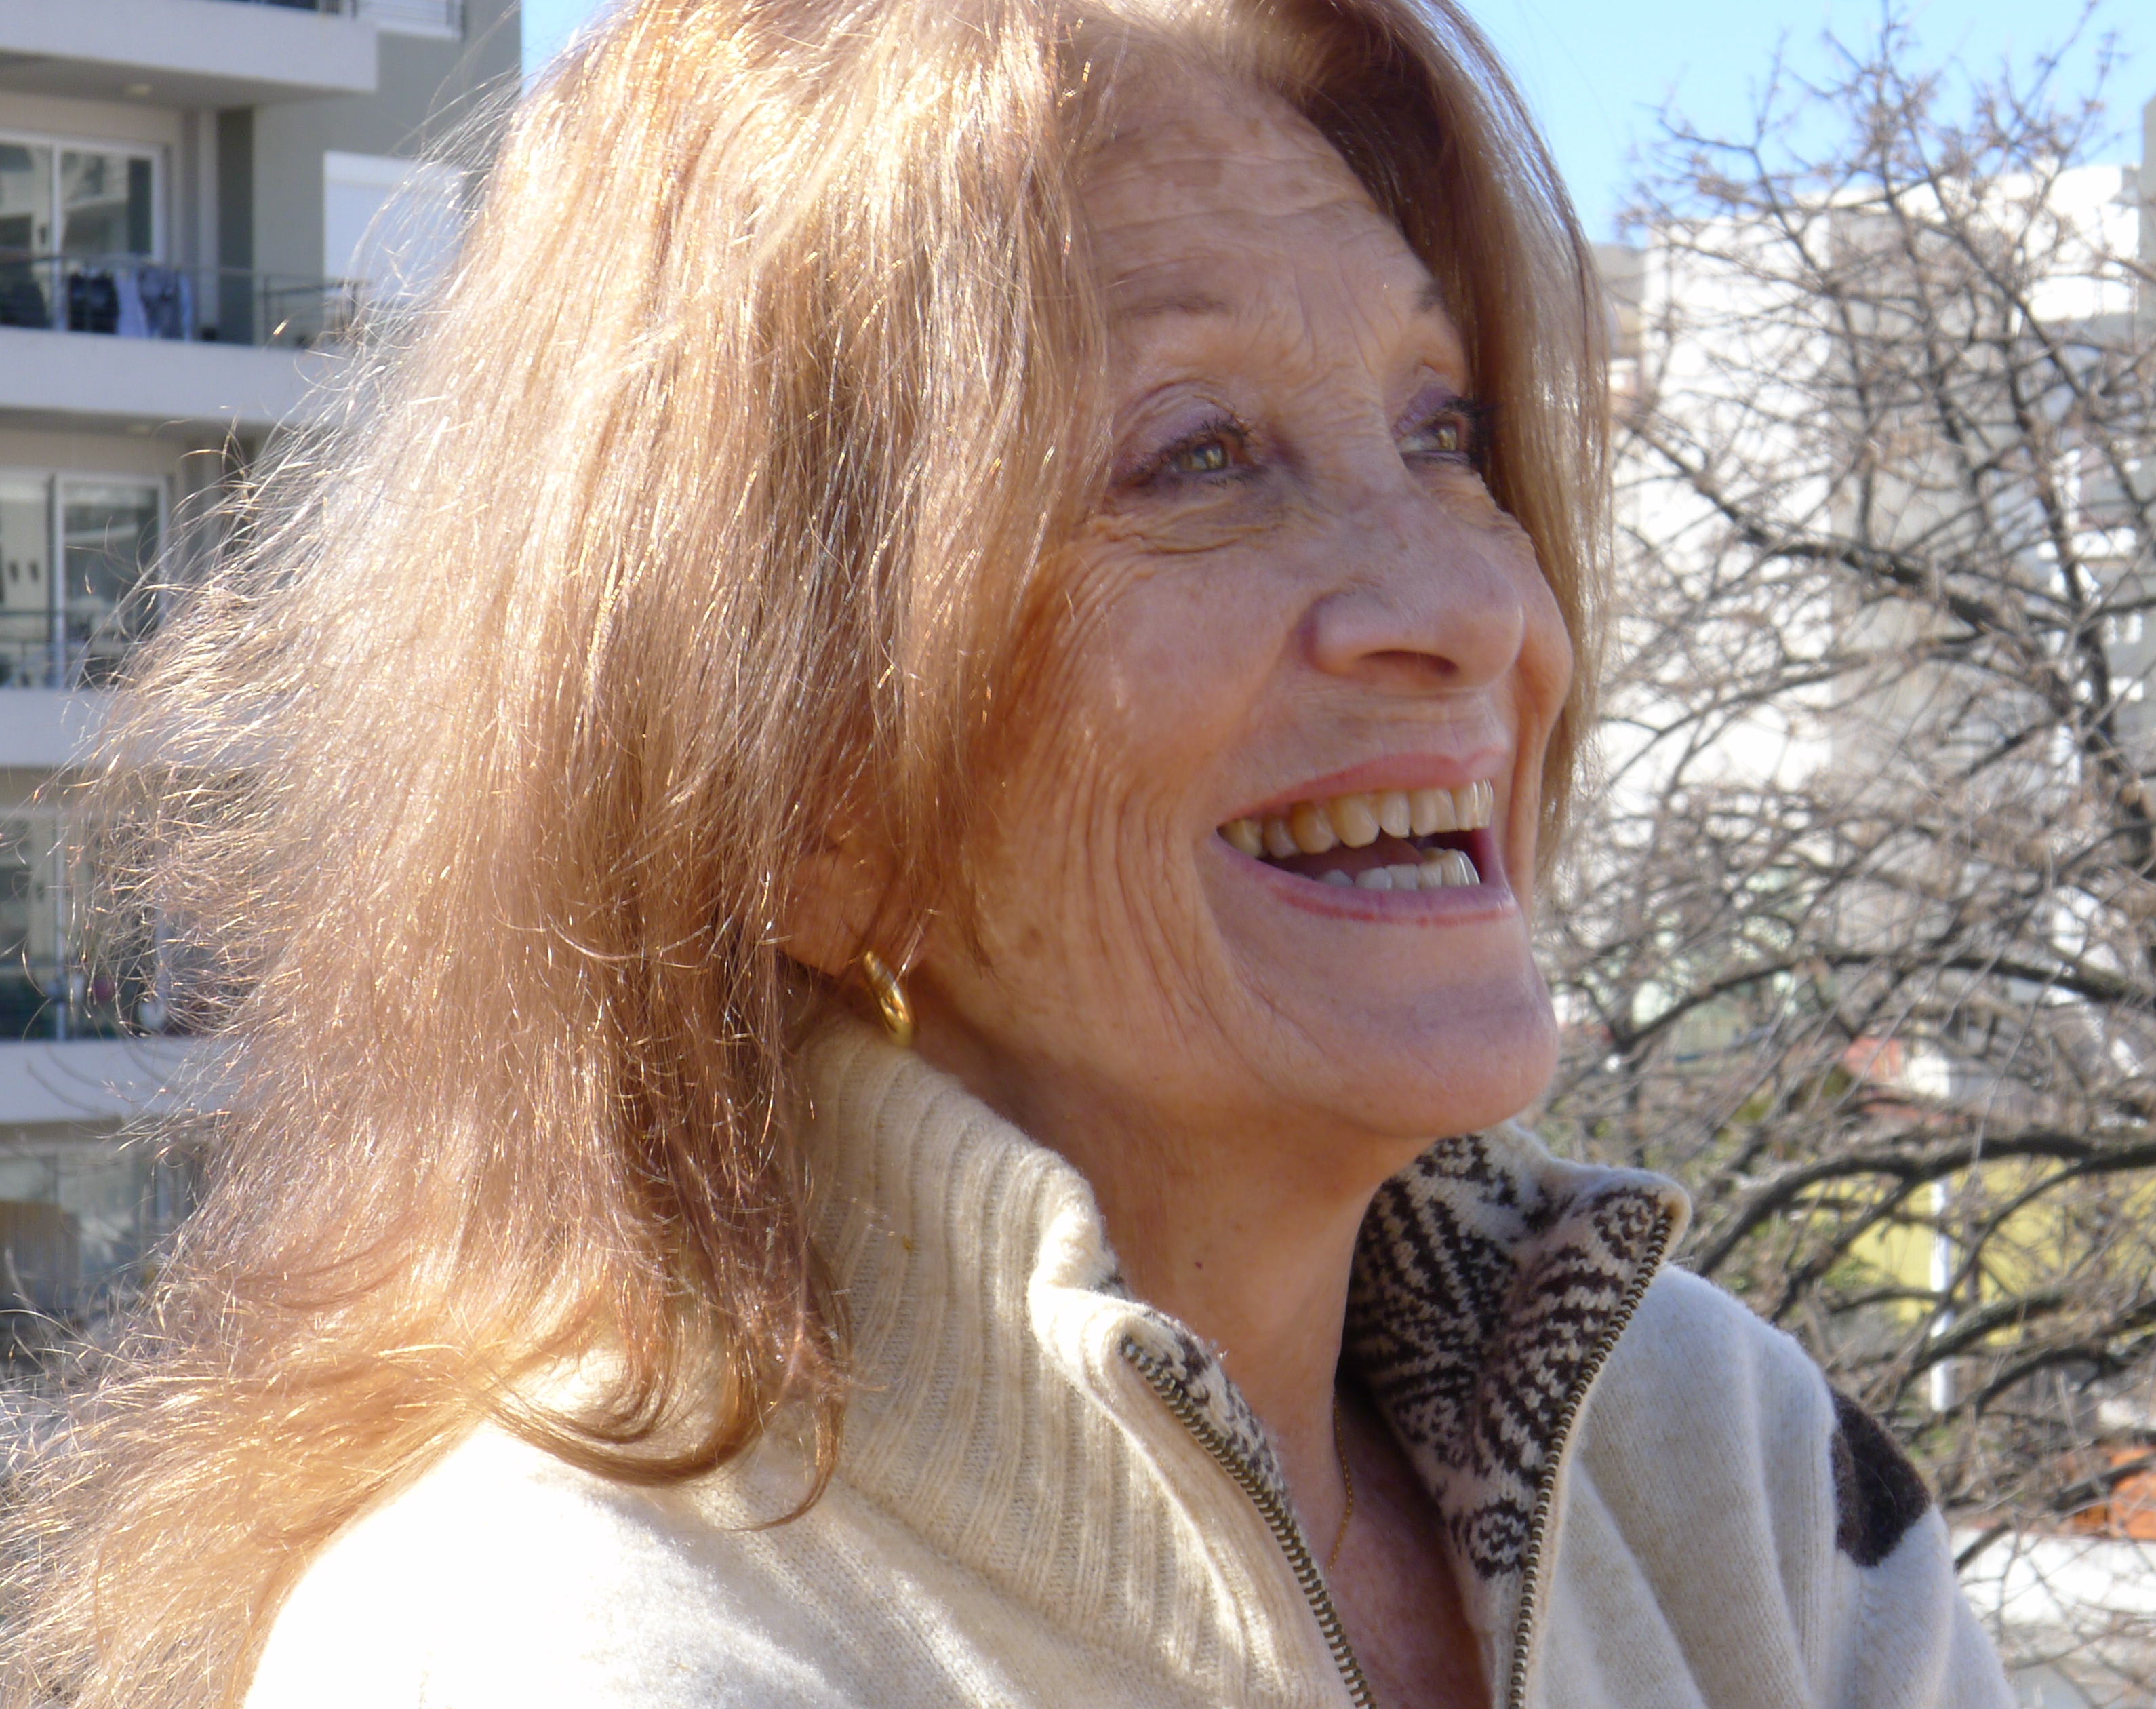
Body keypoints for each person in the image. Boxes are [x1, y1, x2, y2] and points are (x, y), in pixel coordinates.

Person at [0, 1, 2012, 1706]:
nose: (1474, 607)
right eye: (1198, 457)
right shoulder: (572, 1647)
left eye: (1443, 430)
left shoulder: (1718, 1462)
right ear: (799, 787)